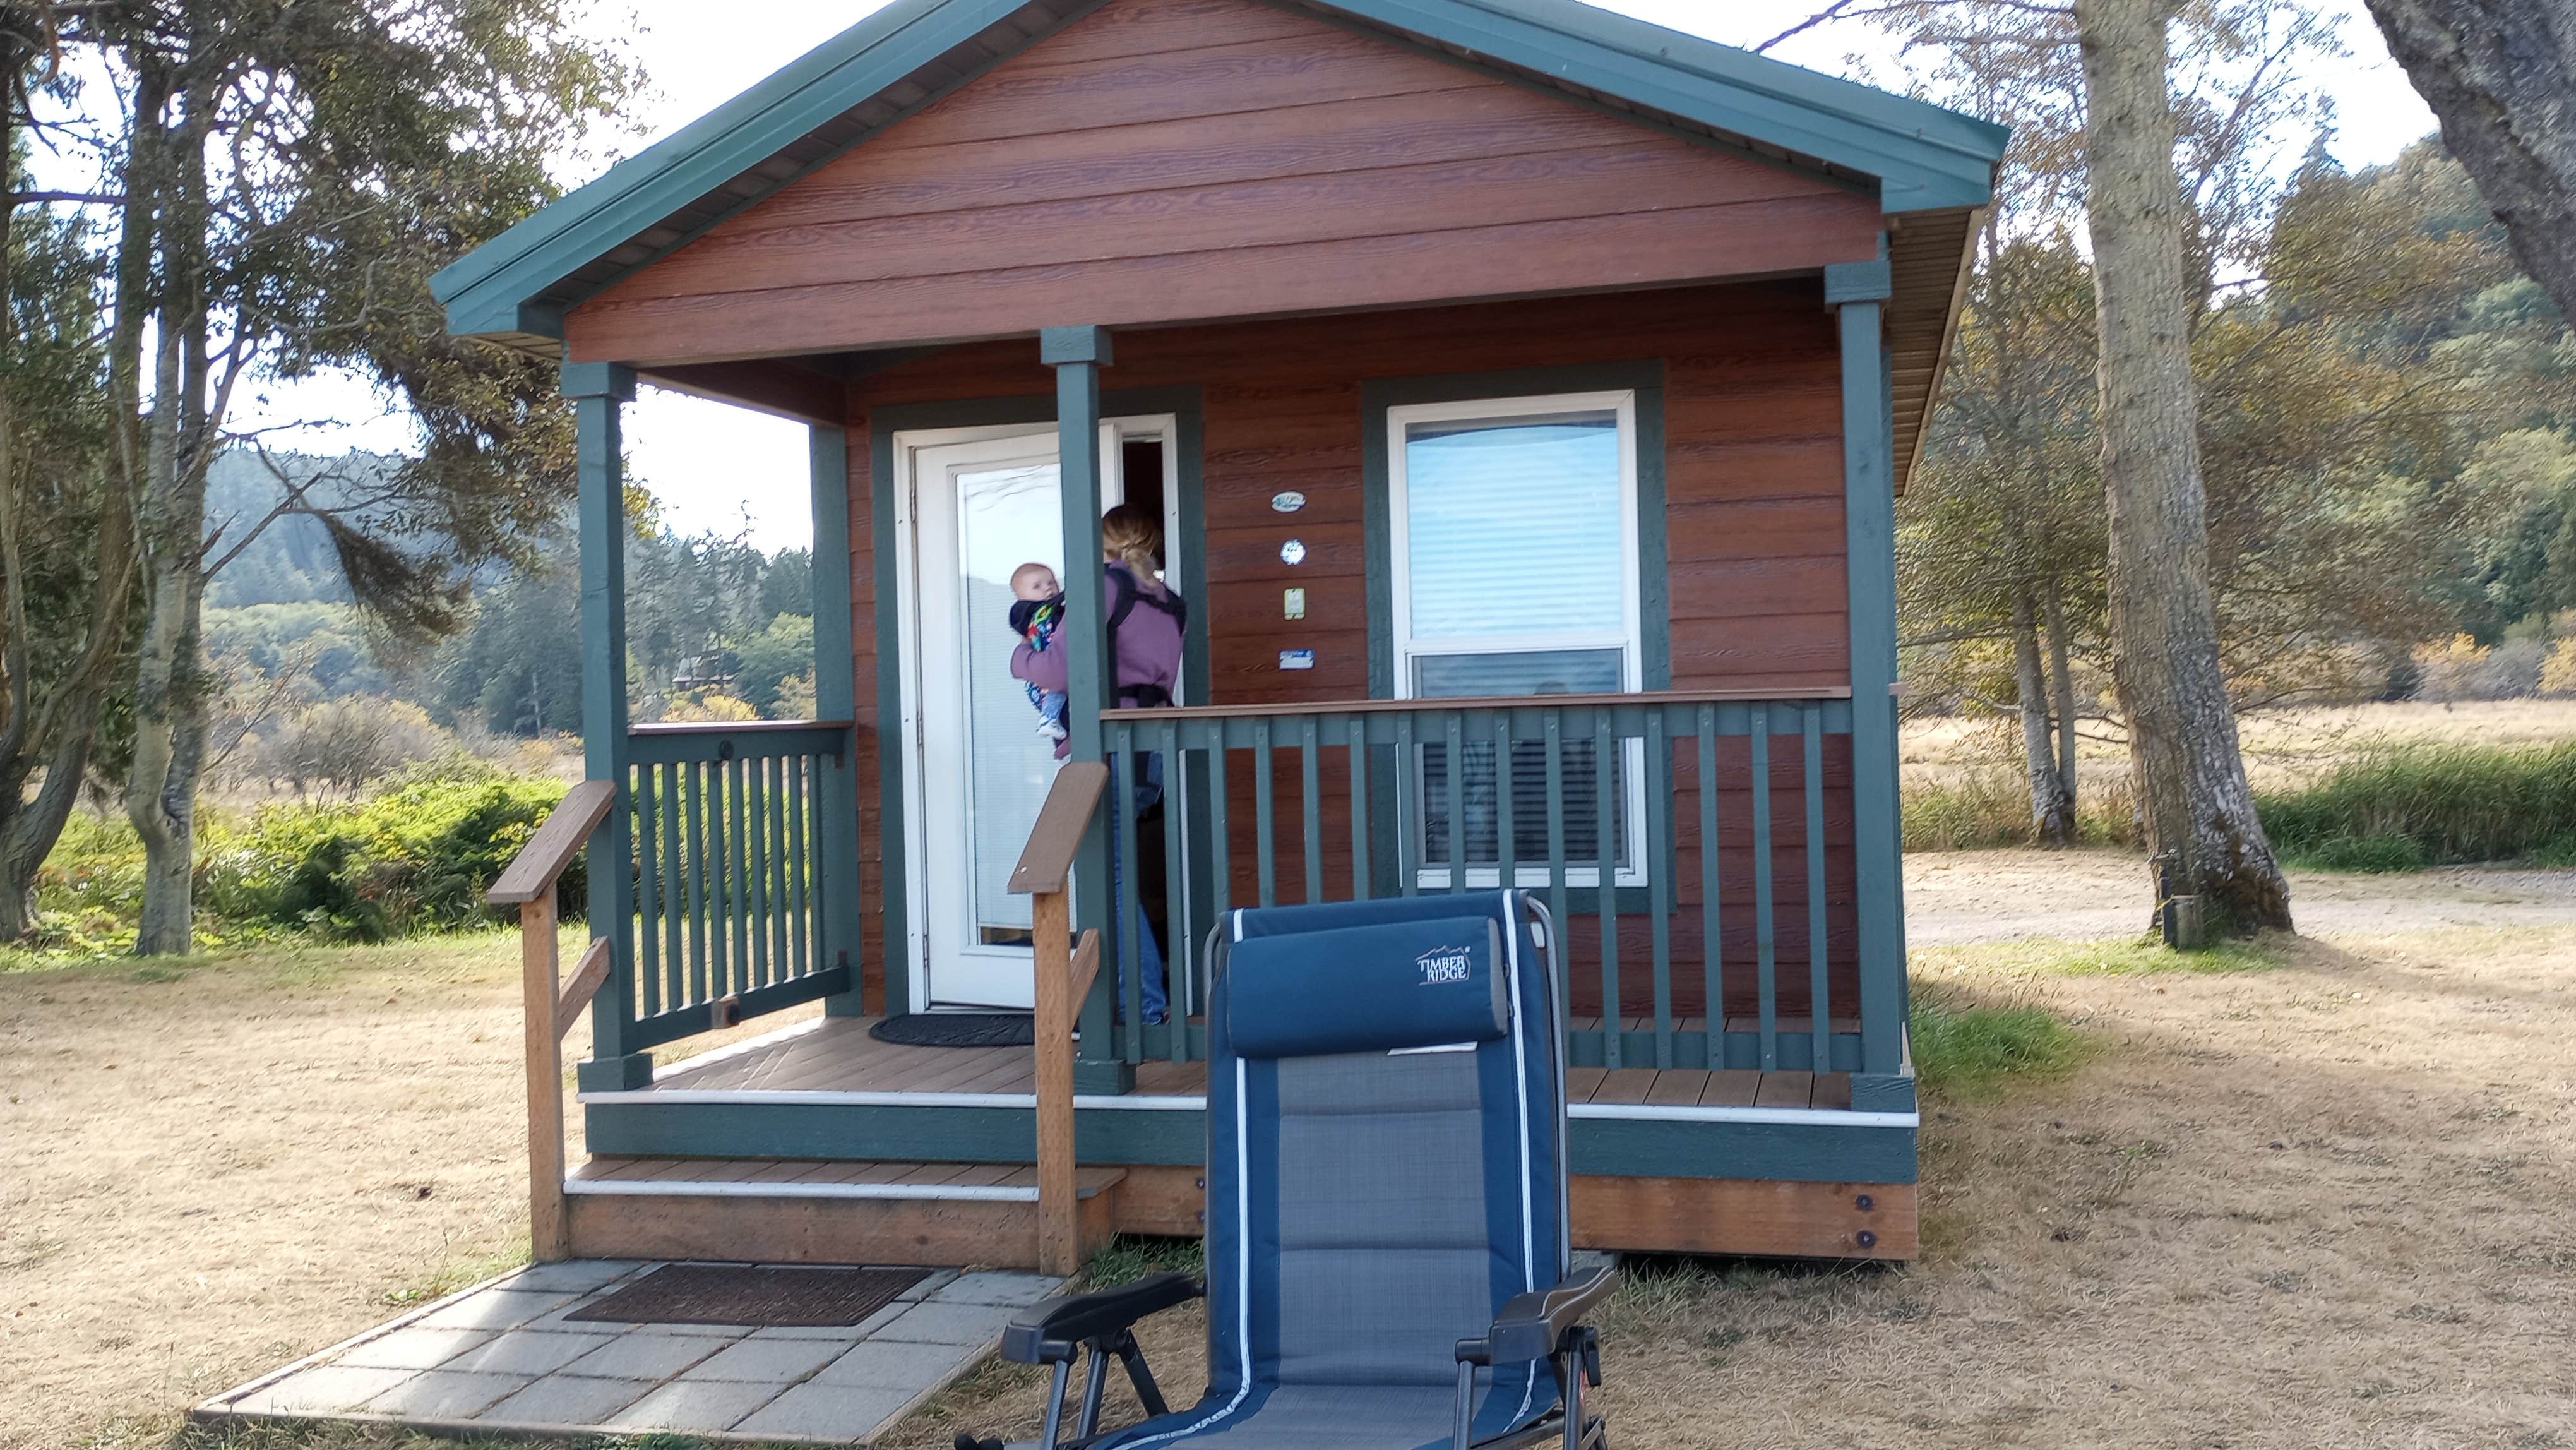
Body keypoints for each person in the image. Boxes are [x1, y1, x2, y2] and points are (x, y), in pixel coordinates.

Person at [1010, 505, 1184, 1024]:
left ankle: (1144, 1010)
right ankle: (1139, 1003)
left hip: (1107, 746)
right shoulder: (1170, 601)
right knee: (1120, 875)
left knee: (1110, 879)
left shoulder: (1103, 587)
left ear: (1102, 543)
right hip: (1151, 747)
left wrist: (1018, 660)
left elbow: (1057, 669)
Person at [1006, 561, 1068, 744]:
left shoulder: (1047, 611)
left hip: (1043, 677)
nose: (1047, 588)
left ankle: (1052, 719)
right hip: (1045, 681)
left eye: (1051, 582)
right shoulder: (1036, 614)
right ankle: (1049, 718)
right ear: (1021, 597)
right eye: (1037, 586)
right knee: (1058, 689)